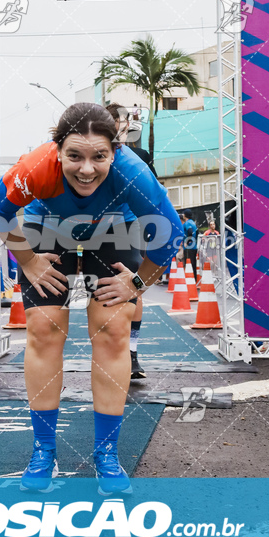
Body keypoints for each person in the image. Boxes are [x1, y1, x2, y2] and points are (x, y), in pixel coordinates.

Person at [0, 103, 182, 495]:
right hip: (49, 225)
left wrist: (136, 285)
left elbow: (170, 235)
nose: (86, 169)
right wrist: (26, 260)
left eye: (99, 157)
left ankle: (107, 453)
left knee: (113, 330)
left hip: (114, 228)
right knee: (43, 330)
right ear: (57, 148)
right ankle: (43, 450)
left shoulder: (133, 176)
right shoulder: (36, 167)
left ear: (116, 150)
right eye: (74, 155)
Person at [106, 103, 153, 380]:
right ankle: (108, 348)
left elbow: (154, 196)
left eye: (120, 119)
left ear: (127, 123)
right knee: (101, 290)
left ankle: (132, 353)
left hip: (131, 225)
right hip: (95, 227)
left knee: (135, 285)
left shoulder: (140, 156)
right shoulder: (94, 153)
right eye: (110, 119)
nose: (115, 124)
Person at [182, 209, 198, 280]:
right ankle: (193, 279)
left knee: (188, 263)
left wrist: (187, 242)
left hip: (189, 247)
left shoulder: (188, 223)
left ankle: (190, 279)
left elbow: (190, 231)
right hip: (194, 246)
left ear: (185, 215)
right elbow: (197, 233)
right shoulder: (193, 222)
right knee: (193, 263)